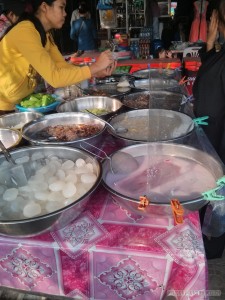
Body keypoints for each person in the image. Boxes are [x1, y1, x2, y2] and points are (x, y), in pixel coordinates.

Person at [0, 0, 116, 113]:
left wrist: (95, 72)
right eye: (61, 7)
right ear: (44, 6)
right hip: (3, 105)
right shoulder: (25, 31)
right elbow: (55, 78)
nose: (65, 13)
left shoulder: (45, 34)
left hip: (18, 102)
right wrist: (95, 67)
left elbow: (61, 67)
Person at [193, 0, 225, 258]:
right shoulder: (220, 57)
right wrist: (211, 45)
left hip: (219, 147)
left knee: (216, 202)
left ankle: (210, 246)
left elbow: (207, 110)